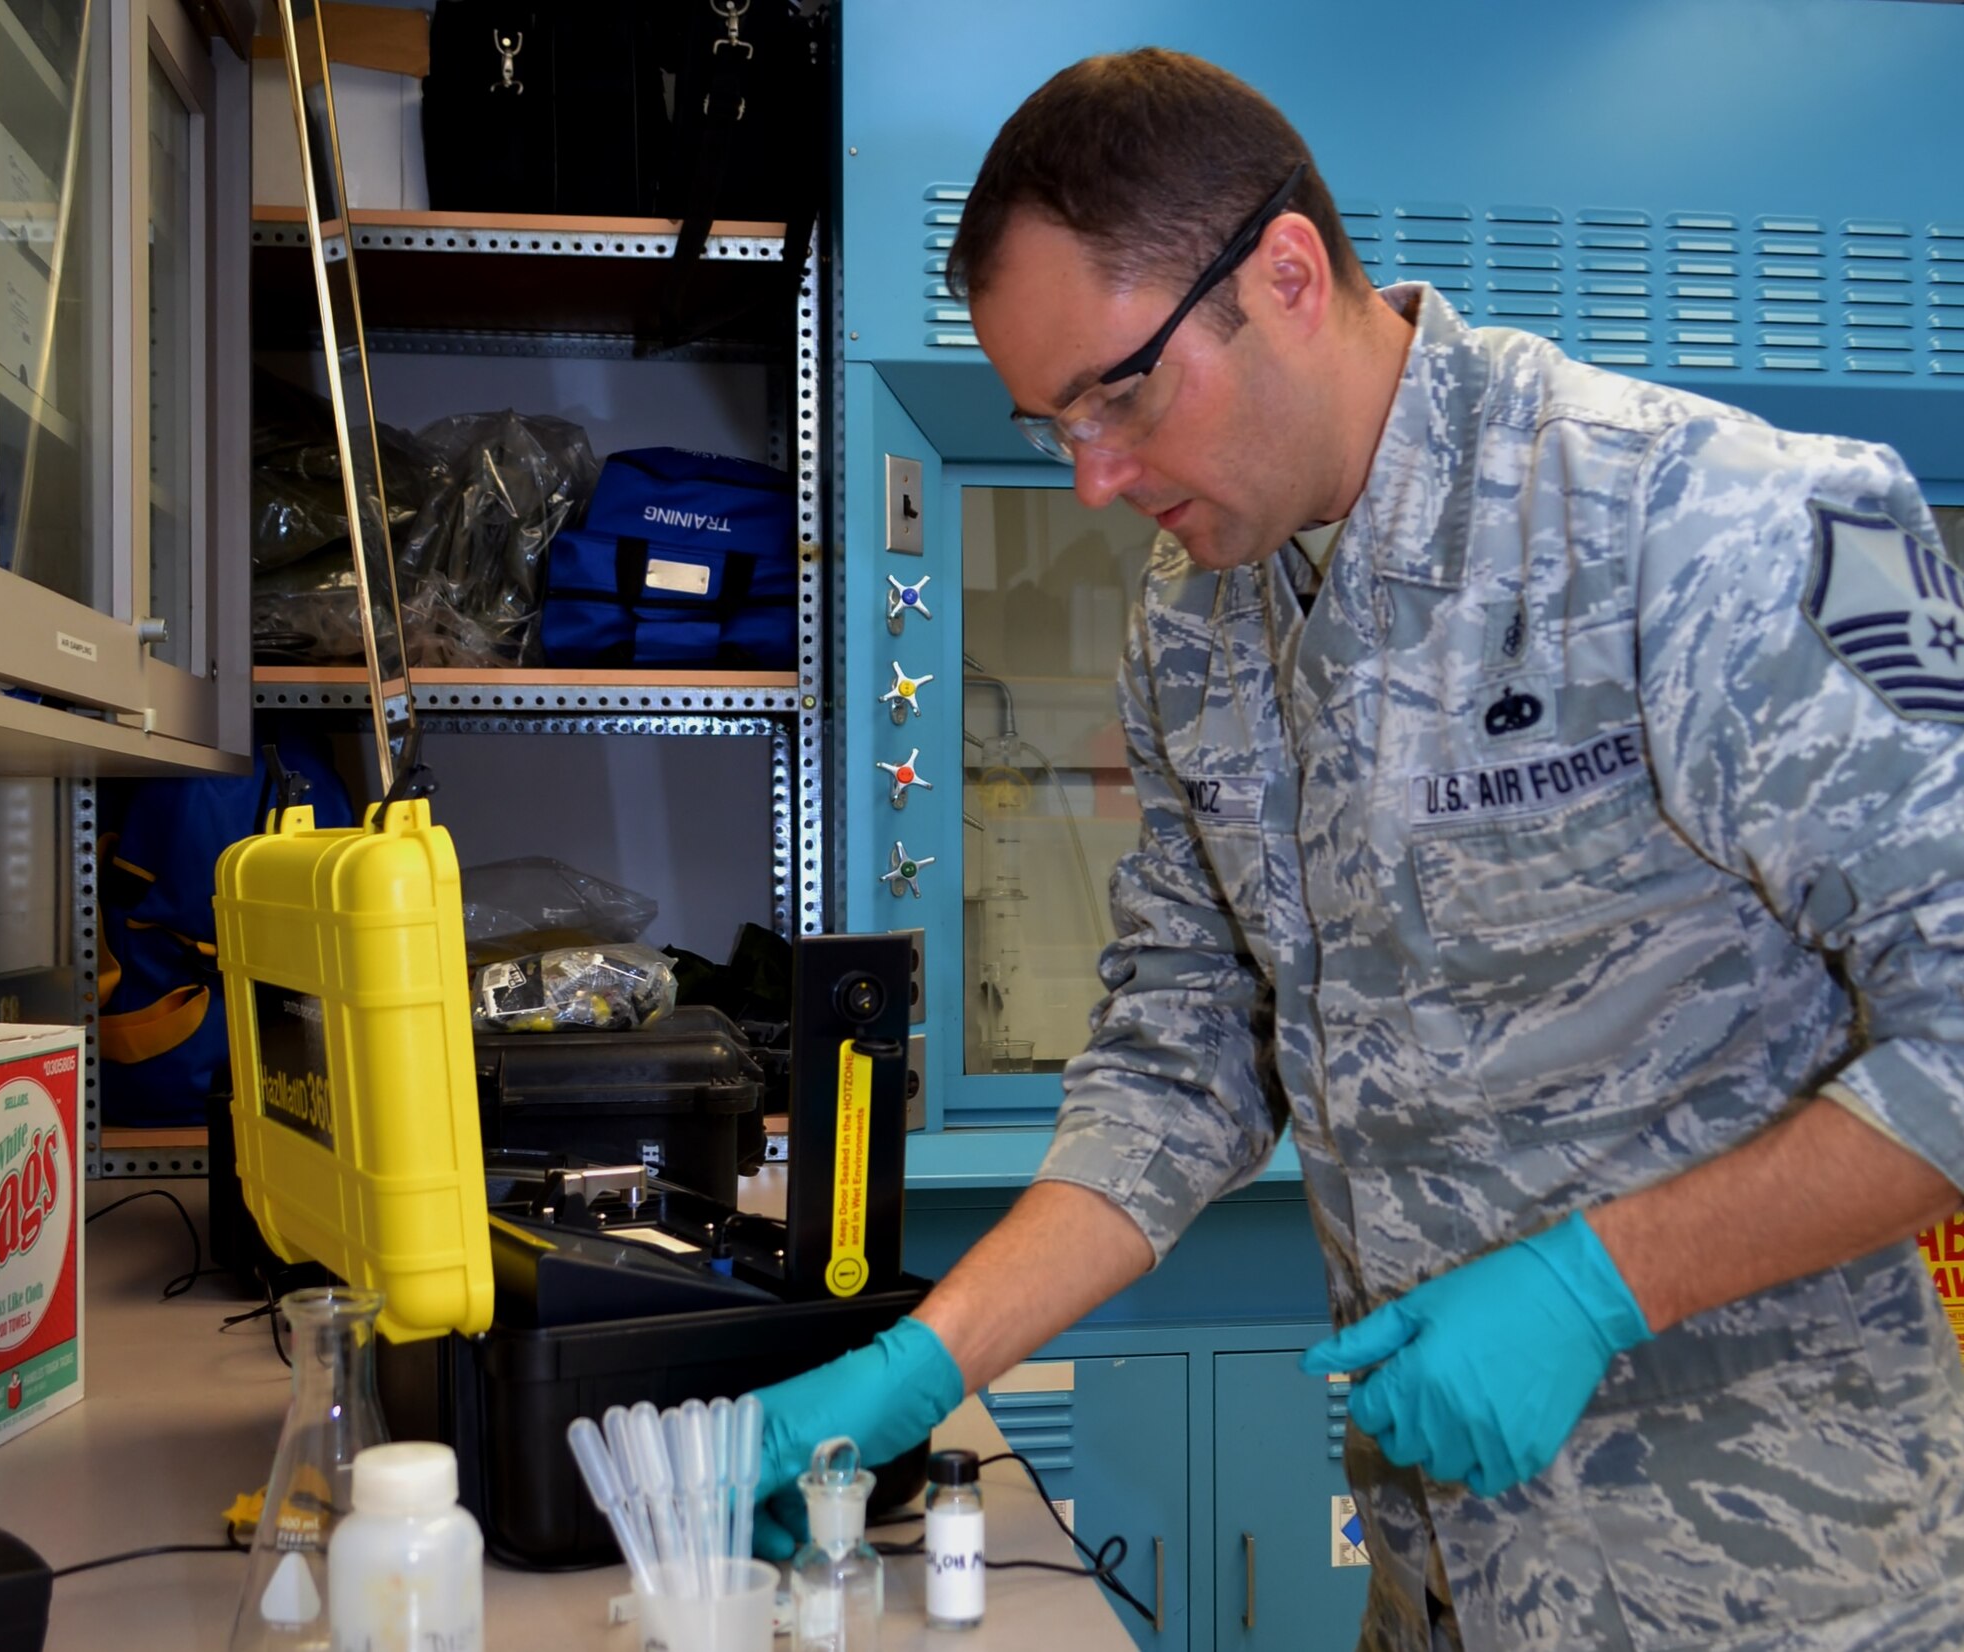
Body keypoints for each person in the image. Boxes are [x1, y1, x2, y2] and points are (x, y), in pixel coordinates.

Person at [750, 48, 1964, 1651]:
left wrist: (1601, 1286)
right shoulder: (1194, 631)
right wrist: (928, 1361)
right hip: (1443, 1585)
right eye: (1054, 430)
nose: (1100, 479)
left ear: (1291, 273)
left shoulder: (1701, 527)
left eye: (1121, 393)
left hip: (1787, 1592)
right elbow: (1179, 1069)